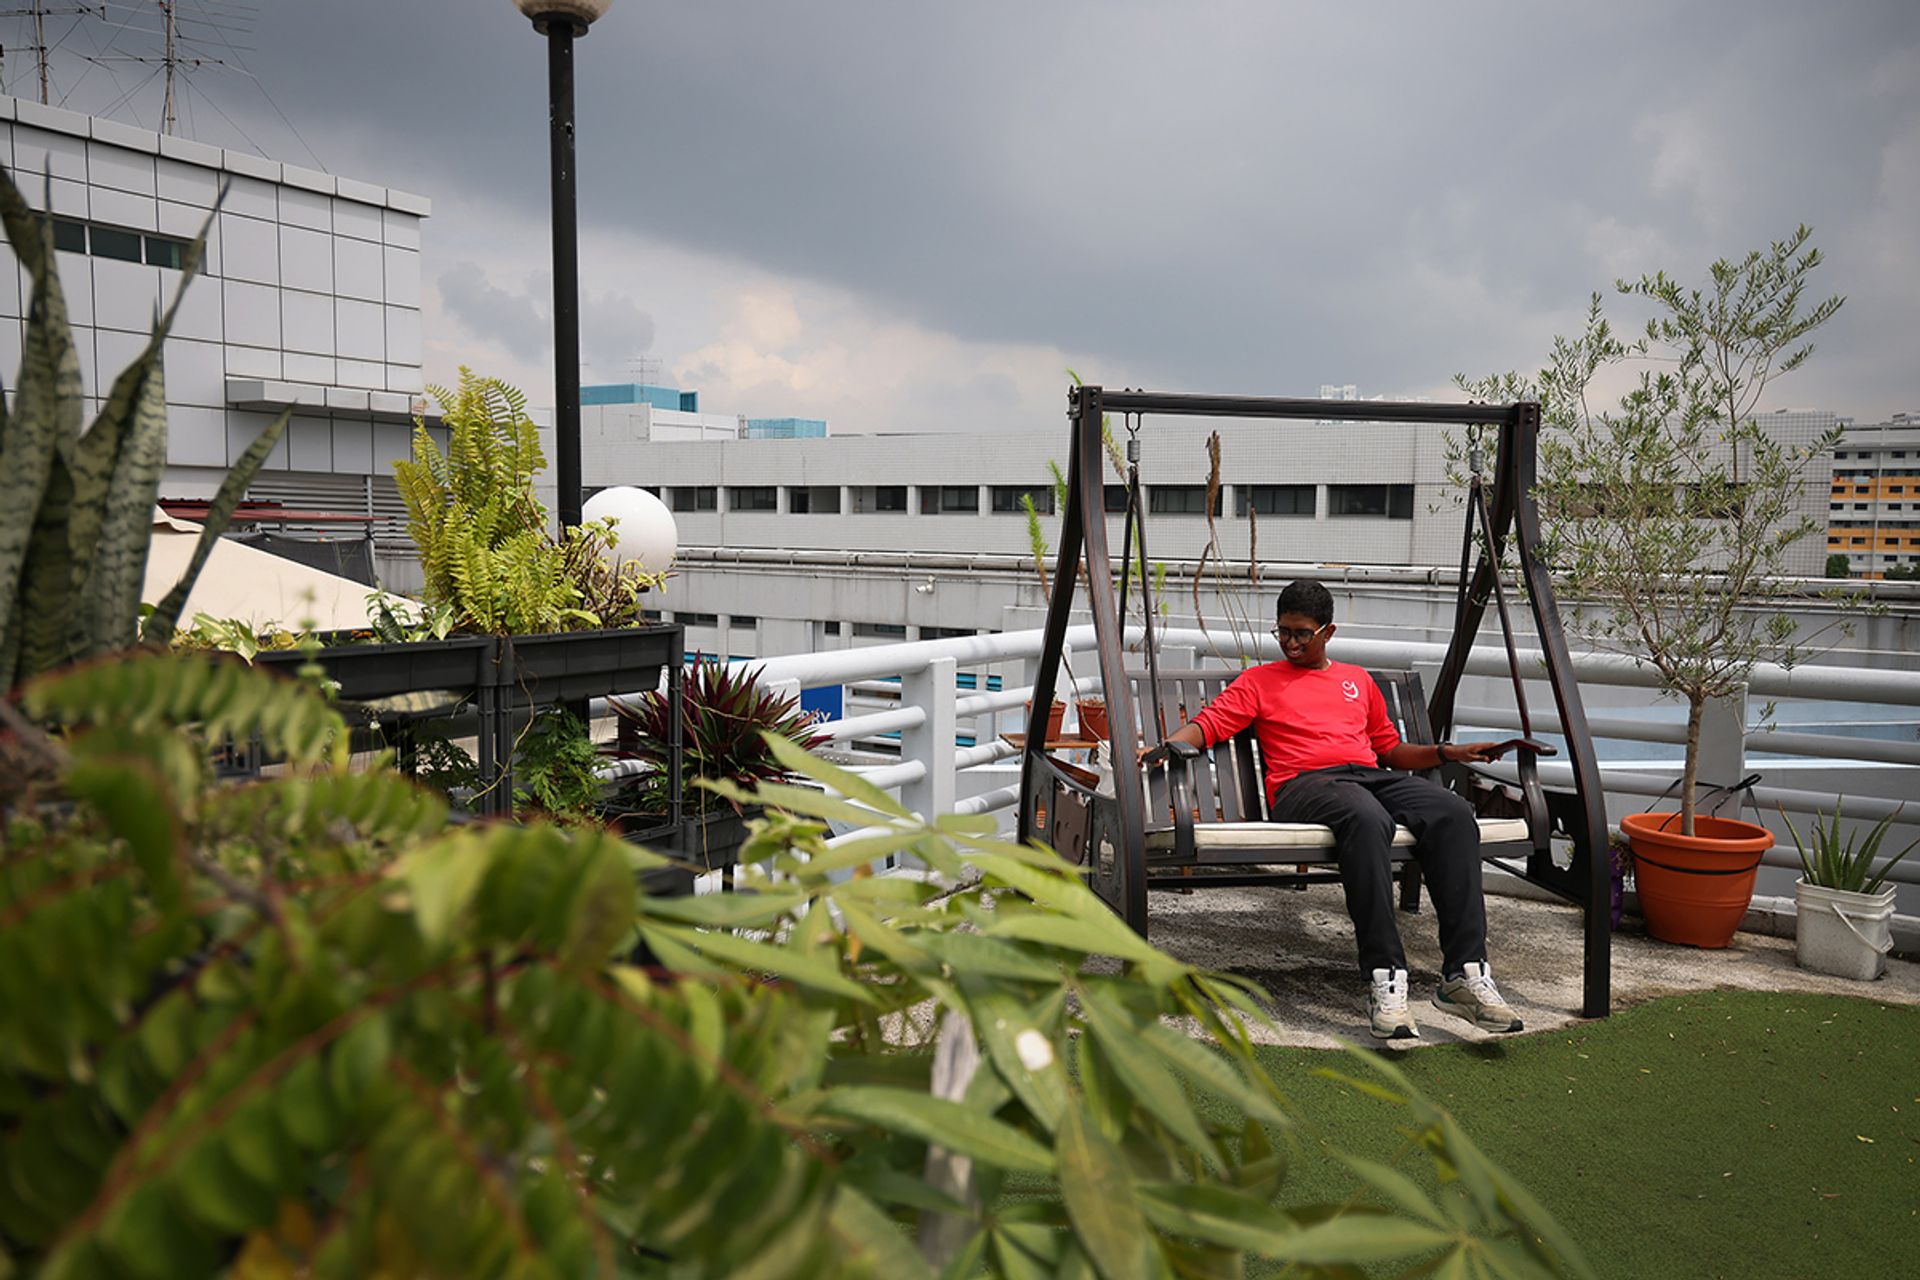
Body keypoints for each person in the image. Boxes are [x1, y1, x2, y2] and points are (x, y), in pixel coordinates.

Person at [1147, 579, 1523, 1040]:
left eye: (1301, 633)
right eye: (1282, 631)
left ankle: (1463, 975)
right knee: (1367, 818)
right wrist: (1168, 747)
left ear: (1328, 632)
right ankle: (1386, 977)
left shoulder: (1357, 680)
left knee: (1452, 813)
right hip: (1304, 786)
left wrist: (1449, 753)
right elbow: (1208, 726)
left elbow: (1390, 749)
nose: (1290, 643)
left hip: (1367, 776)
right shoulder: (1258, 682)